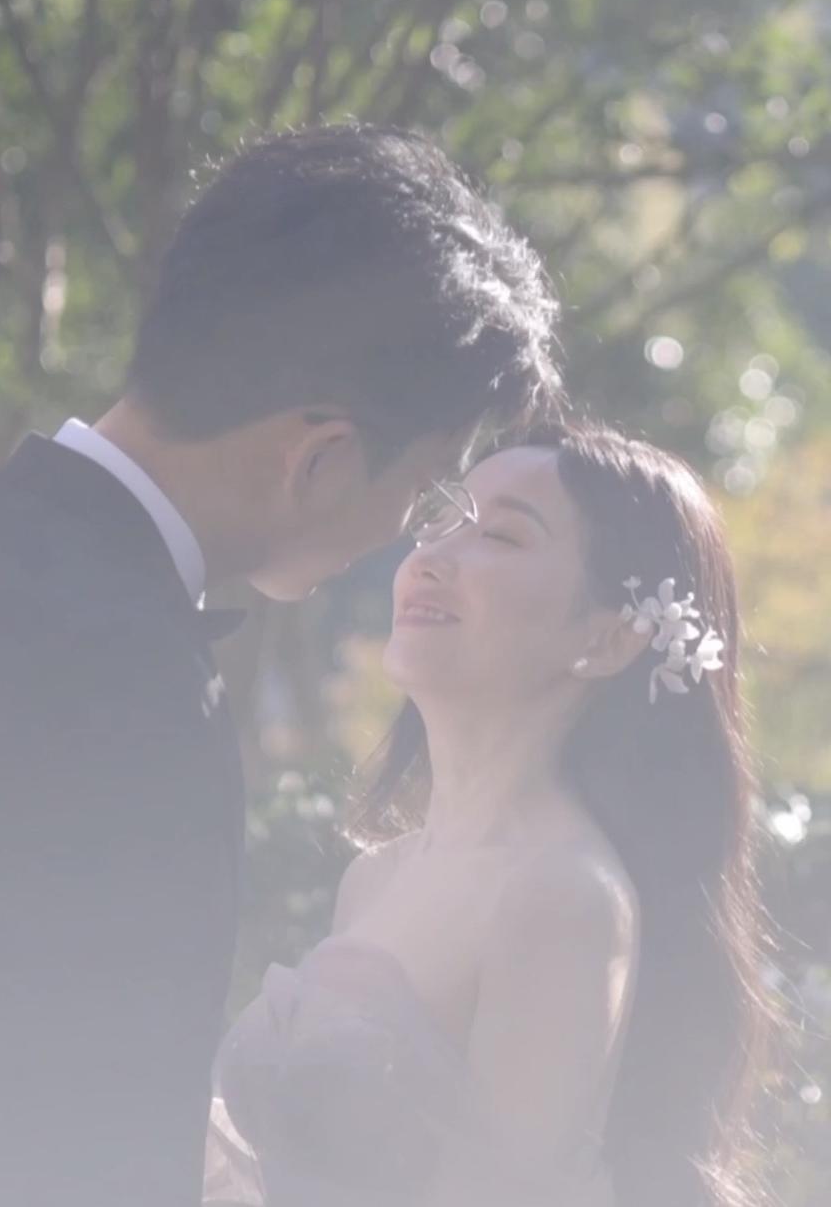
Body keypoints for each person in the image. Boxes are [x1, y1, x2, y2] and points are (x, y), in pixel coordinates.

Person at [0, 124, 560, 1206]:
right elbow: (73, 1140)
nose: (410, 531)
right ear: (323, 457)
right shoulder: (133, 684)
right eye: (427, 486)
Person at [204, 421, 770, 1207]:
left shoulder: (562, 893)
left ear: (608, 638)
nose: (430, 558)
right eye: (441, 521)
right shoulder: (376, 877)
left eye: (501, 536)